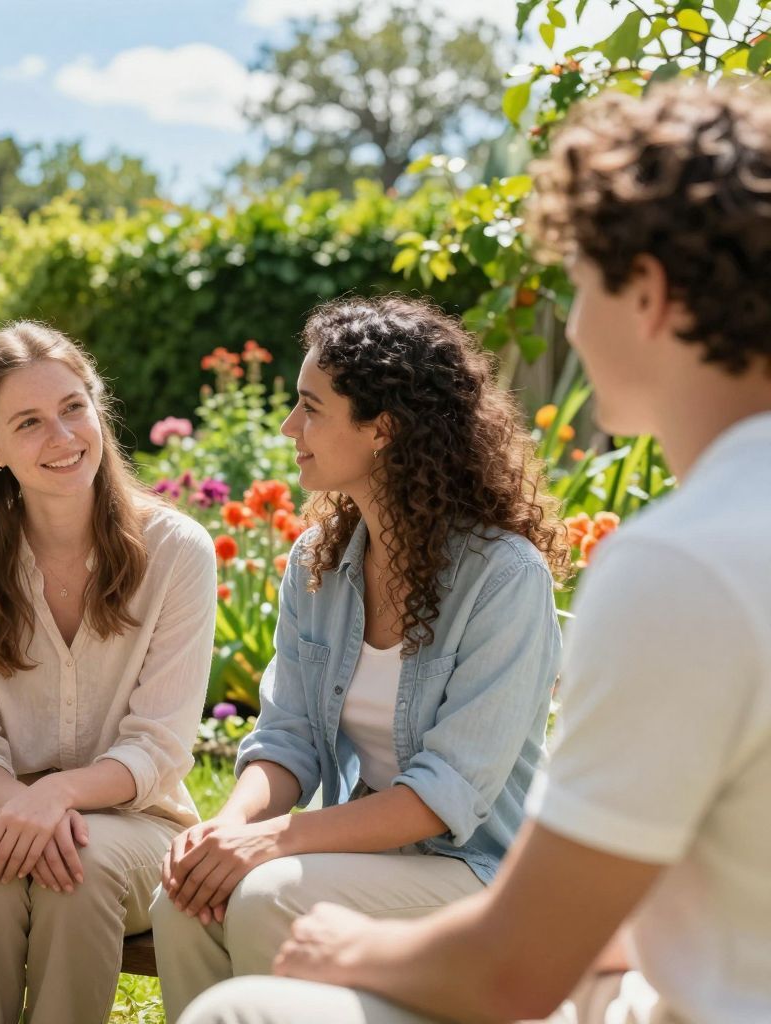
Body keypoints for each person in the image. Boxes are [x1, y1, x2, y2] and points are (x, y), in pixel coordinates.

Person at [179, 81, 771, 1024]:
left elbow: (517, 964)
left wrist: (347, 940)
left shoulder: (677, 569)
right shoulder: (322, 563)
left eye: (581, 287)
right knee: (212, 908)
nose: (572, 327)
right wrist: (244, 827)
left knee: (240, 1003)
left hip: (511, 917)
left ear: (649, 295)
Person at [152, 295, 569, 1021]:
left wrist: (274, 841)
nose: (289, 428)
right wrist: (228, 831)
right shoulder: (320, 561)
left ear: (383, 428)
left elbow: (447, 792)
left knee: (267, 895)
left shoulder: (506, 577)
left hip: (477, 875)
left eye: (310, 407)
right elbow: (287, 738)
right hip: (362, 858)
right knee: (187, 899)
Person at [0, 320, 217, 1024]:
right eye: (29, 422)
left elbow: (159, 746)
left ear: (97, 407)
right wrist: (25, 803)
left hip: (138, 820)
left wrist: (57, 796)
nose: (63, 437)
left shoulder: (177, 552)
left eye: (73, 407)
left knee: (77, 871)